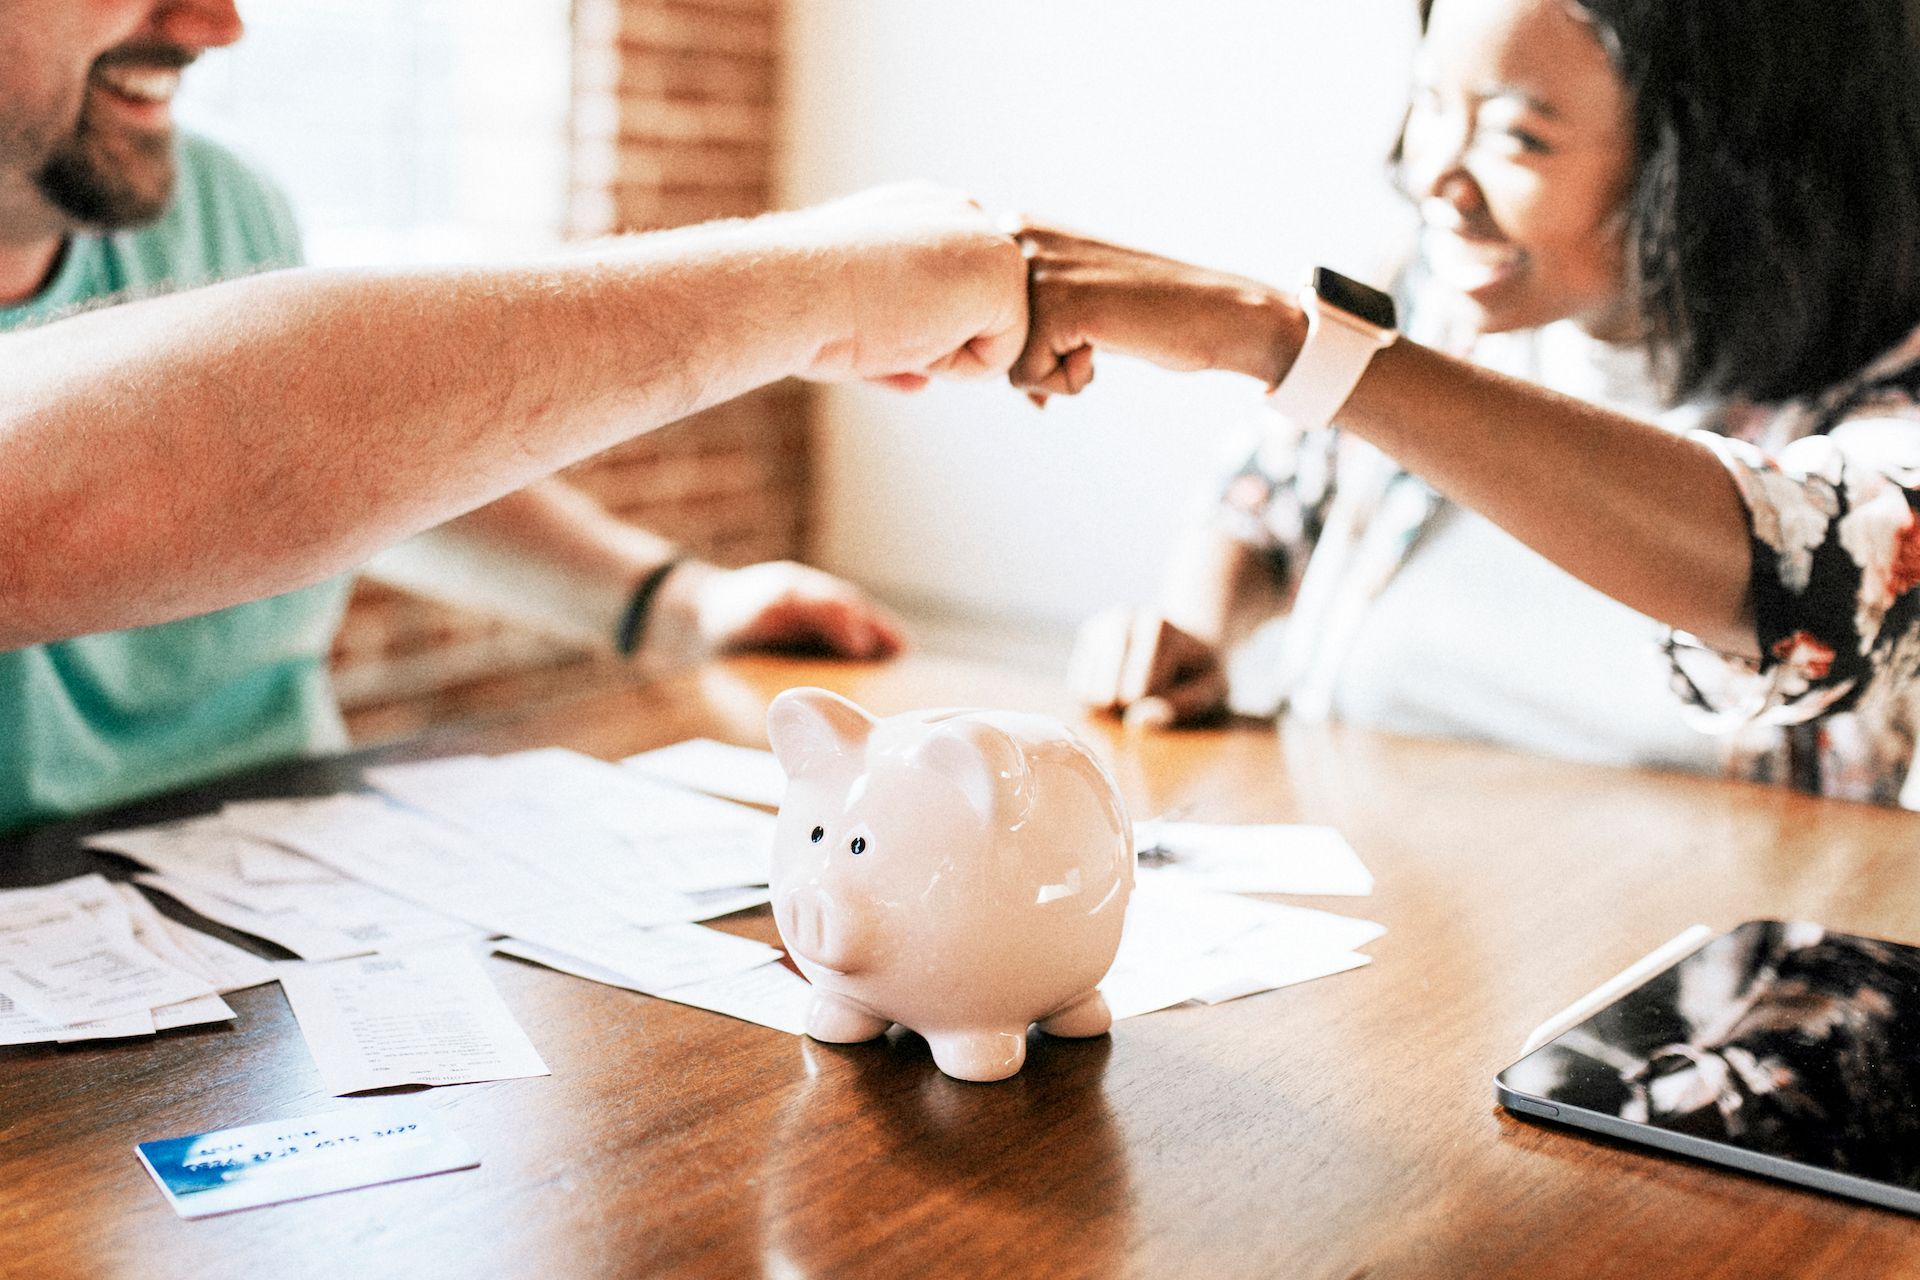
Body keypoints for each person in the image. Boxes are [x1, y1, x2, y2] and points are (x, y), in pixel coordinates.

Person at [0, 0, 1027, 832]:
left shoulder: (219, 200)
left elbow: (333, 460)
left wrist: (671, 600)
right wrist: (815, 286)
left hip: (284, 886)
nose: (216, 23)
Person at [1019, 0, 1920, 807]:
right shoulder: (1428, 299)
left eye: (1516, 137)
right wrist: (1195, 637)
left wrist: (1294, 345)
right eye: (1431, 104)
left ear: (1722, 161)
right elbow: (1265, 496)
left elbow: (1810, 588)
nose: (1437, 179)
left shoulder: (1887, 390)